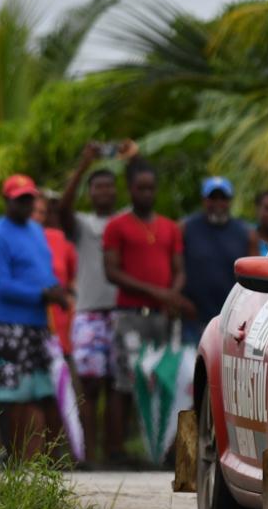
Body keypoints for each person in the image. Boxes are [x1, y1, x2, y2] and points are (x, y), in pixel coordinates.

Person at [103, 158, 191, 463]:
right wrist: (156, 292)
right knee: (127, 381)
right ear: (130, 189)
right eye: (140, 188)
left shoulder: (169, 227)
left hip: (162, 317)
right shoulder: (117, 225)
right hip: (130, 315)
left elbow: (179, 269)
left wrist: (172, 294)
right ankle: (115, 450)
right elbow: (112, 271)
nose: (146, 193)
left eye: (151, 188)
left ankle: (159, 448)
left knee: (162, 379)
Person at [0, 175, 69, 460]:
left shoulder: (36, 230)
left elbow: (44, 272)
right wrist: (43, 294)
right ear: (7, 201)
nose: (25, 204)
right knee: (12, 392)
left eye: (29, 198)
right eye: (20, 199)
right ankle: (10, 455)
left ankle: (47, 457)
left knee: (45, 389)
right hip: (10, 323)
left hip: (39, 323)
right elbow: (2, 284)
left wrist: (57, 290)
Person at [59, 142, 130, 462]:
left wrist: (132, 158)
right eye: (98, 187)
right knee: (89, 386)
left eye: (109, 186)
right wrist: (83, 166)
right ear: (90, 193)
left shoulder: (123, 222)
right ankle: (85, 453)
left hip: (121, 313)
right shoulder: (82, 224)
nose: (104, 191)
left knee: (119, 386)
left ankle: (114, 451)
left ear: (115, 192)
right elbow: (62, 209)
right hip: (89, 314)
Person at [181, 176, 255, 343]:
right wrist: (180, 300)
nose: (218, 203)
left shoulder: (245, 232)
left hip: (231, 319)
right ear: (204, 200)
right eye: (213, 198)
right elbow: (175, 267)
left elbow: (254, 277)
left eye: (223, 198)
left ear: (229, 201)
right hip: (194, 318)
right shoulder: (186, 228)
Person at [33, 191, 77, 357]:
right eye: (33, 211)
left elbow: (74, 279)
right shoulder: (11, 239)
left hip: (61, 319)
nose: (36, 216)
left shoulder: (57, 238)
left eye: (41, 212)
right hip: (28, 318)